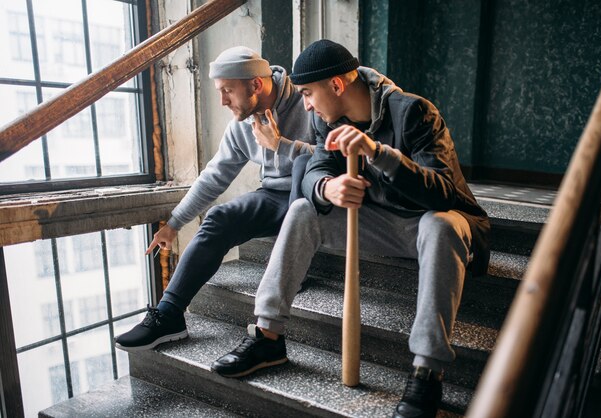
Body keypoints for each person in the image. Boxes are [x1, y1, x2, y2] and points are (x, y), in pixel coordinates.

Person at [212, 40, 490, 418]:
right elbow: (316, 170)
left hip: (437, 224)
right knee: (302, 211)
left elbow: (443, 193)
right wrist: (328, 187)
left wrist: (377, 152)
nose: (305, 104)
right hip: (381, 224)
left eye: (309, 93)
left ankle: (427, 371)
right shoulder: (325, 119)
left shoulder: (414, 112)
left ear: (337, 86)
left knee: (441, 225)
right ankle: (267, 338)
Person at [115, 46, 315, 352]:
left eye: (228, 91)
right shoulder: (241, 125)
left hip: (315, 197)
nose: (222, 101)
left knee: (303, 178)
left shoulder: (309, 100)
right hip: (275, 196)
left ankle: (291, 276)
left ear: (256, 85)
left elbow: (336, 157)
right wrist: (174, 223)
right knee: (220, 217)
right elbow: (214, 176)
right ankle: (169, 315)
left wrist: (281, 145)